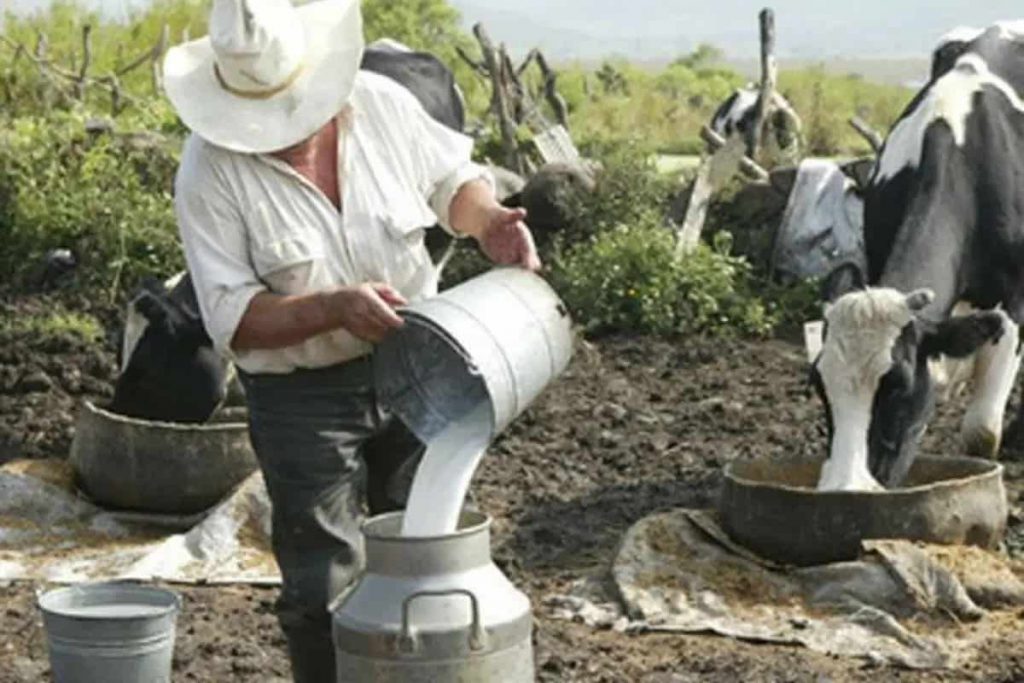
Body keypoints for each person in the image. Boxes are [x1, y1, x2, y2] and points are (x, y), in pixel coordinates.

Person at [162, 0, 540, 679]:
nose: (286, 132)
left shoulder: (379, 104)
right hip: (300, 395)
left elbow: (451, 180)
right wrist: (331, 307)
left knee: (432, 551)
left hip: (418, 361)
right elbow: (233, 318)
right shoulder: (209, 171)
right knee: (322, 580)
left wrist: (488, 223)